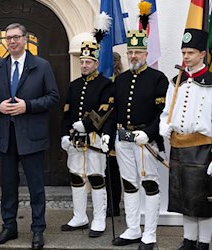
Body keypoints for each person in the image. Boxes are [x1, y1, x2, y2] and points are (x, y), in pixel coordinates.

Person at [0, 23, 59, 250]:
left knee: (36, 187)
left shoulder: (41, 65)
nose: (11, 41)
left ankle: (38, 229)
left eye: (16, 37)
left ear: (25, 39)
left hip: (32, 136)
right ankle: (9, 226)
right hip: (6, 137)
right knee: (8, 186)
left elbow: (53, 97)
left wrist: (27, 106)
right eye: (8, 38)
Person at [111, 30, 169, 250]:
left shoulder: (158, 78)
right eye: (130, 52)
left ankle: (150, 234)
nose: (133, 56)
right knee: (129, 184)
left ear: (146, 53)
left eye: (138, 51)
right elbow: (115, 110)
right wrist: (109, 134)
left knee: (150, 184)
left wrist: (151, 132)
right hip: (123, 139)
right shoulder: (121, 79)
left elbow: (163, 113)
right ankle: (133, 229)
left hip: (145, 140)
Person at [159, 28, 212, 250]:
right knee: (184, 200)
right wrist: (164, 125)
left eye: (190, 52)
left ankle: (204, 243)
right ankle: (189, 241)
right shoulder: (176, 81)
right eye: (183, 52)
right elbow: (165, 111)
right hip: (179, 148)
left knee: (202, 201)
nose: (186, 57)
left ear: (203, 54)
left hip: (203, 149)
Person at [60, 40, 113, 238]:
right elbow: (66, 112)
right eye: (82, 62)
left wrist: (88, 125)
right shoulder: (74, 85)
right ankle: (79, 216)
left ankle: (99, 219)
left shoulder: (106, 85)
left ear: (96, 64)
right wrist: (64, 134)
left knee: (96, 177)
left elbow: (105, 111)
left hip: (94, 138)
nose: (84, 65)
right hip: (75, 140)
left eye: (88, 62)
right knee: (76, 176)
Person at [105, 51, 124, 217]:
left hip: (115, 129)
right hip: (103, 129)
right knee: (105, 171)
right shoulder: (104, 81)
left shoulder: (120, 82)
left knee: (113, 171)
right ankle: (108, 203)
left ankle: (114, 204)